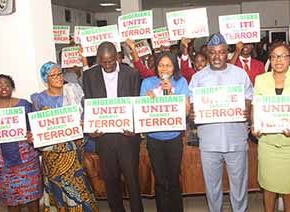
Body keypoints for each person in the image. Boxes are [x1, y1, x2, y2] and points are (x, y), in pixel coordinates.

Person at [189, 33, 253, 212]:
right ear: (207, 53)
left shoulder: (240, 75)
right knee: (212, 186)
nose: (217, 56)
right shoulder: (198, 78)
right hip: (209, 142)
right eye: (212, 52)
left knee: (239, 185)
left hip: (236, 140)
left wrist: (247, 109)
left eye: (221, 52)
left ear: (228, 52)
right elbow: (192, 106)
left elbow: (249, 99)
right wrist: (192, 113)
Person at [251, 43, 290, 212]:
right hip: (267, 143)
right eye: (273, 56)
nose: (278, 60)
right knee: (268, 187)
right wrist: (254, 124)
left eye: (282, 56)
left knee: (289, 188)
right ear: (270, 59)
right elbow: (256, 107)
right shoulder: (261, 79)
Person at [82, 41, 143, 212]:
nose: (107, 65)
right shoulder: (89, 76)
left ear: (117, 56)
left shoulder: (131, 73)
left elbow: (137, 104)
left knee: (132, 180)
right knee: (110, 179)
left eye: (110, 61)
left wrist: (135, 127)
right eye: (103, 61)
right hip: (104, 137)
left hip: (127, 137)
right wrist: (90, 129)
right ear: (98, 59)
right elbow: (88, 104)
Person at [31, 62, 98, 211]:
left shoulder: (73, 91)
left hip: (74, 149)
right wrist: (33, 135)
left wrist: (83, 122)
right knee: (57, 187)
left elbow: (85, 113)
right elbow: (37, 126)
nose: (58, 78)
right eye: (53, 75)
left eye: (60, 74)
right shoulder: (38, 99)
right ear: (45, 79)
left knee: (78, 185)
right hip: (52, 153)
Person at [0, 74, 43, 212]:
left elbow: (37, 126)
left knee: (32, 196)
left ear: (12, 87)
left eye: (6, 84)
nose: (3, 87)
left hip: (26, 161)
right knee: (11, 199)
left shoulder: (25, 105)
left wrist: (32, 134)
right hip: (0, 164)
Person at [140, 52, 190, 212]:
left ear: (174, 66)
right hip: (154, 139)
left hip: (174, 138)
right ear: (156, 66)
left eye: (168, 65)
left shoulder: (181, 82)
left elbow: (187, 111)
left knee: (174, 179)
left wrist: (172, 94)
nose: (164, 68)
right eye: (161, 65)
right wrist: (146, 100)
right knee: (160, 180)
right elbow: (141, 111)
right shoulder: (147, 83)